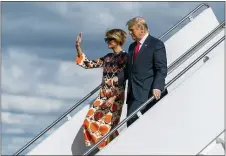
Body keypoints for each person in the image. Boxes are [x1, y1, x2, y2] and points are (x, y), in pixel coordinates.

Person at [75, 29, 128, 151]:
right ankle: (111, 150)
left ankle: (112, 150)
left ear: (116, 40)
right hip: (103, 96)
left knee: (109, 128)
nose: (107, 42)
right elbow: (88, 64)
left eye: (109, 39)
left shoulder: (125, 57)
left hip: (115, 97)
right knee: (89, 123)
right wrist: (78, 47)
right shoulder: (108, 57)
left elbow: (124, 77)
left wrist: (114, 97)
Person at [113, 17, 168, 127]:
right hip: (133, 94)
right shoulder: (132, 46)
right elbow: (129, 69)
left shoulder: (156, 44)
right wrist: (118, 78)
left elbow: (161, 68)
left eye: (131, 29)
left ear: (141, 29)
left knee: (135, 124)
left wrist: (157, 86)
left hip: (147, 93)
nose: (129, 32)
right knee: (131, 124)